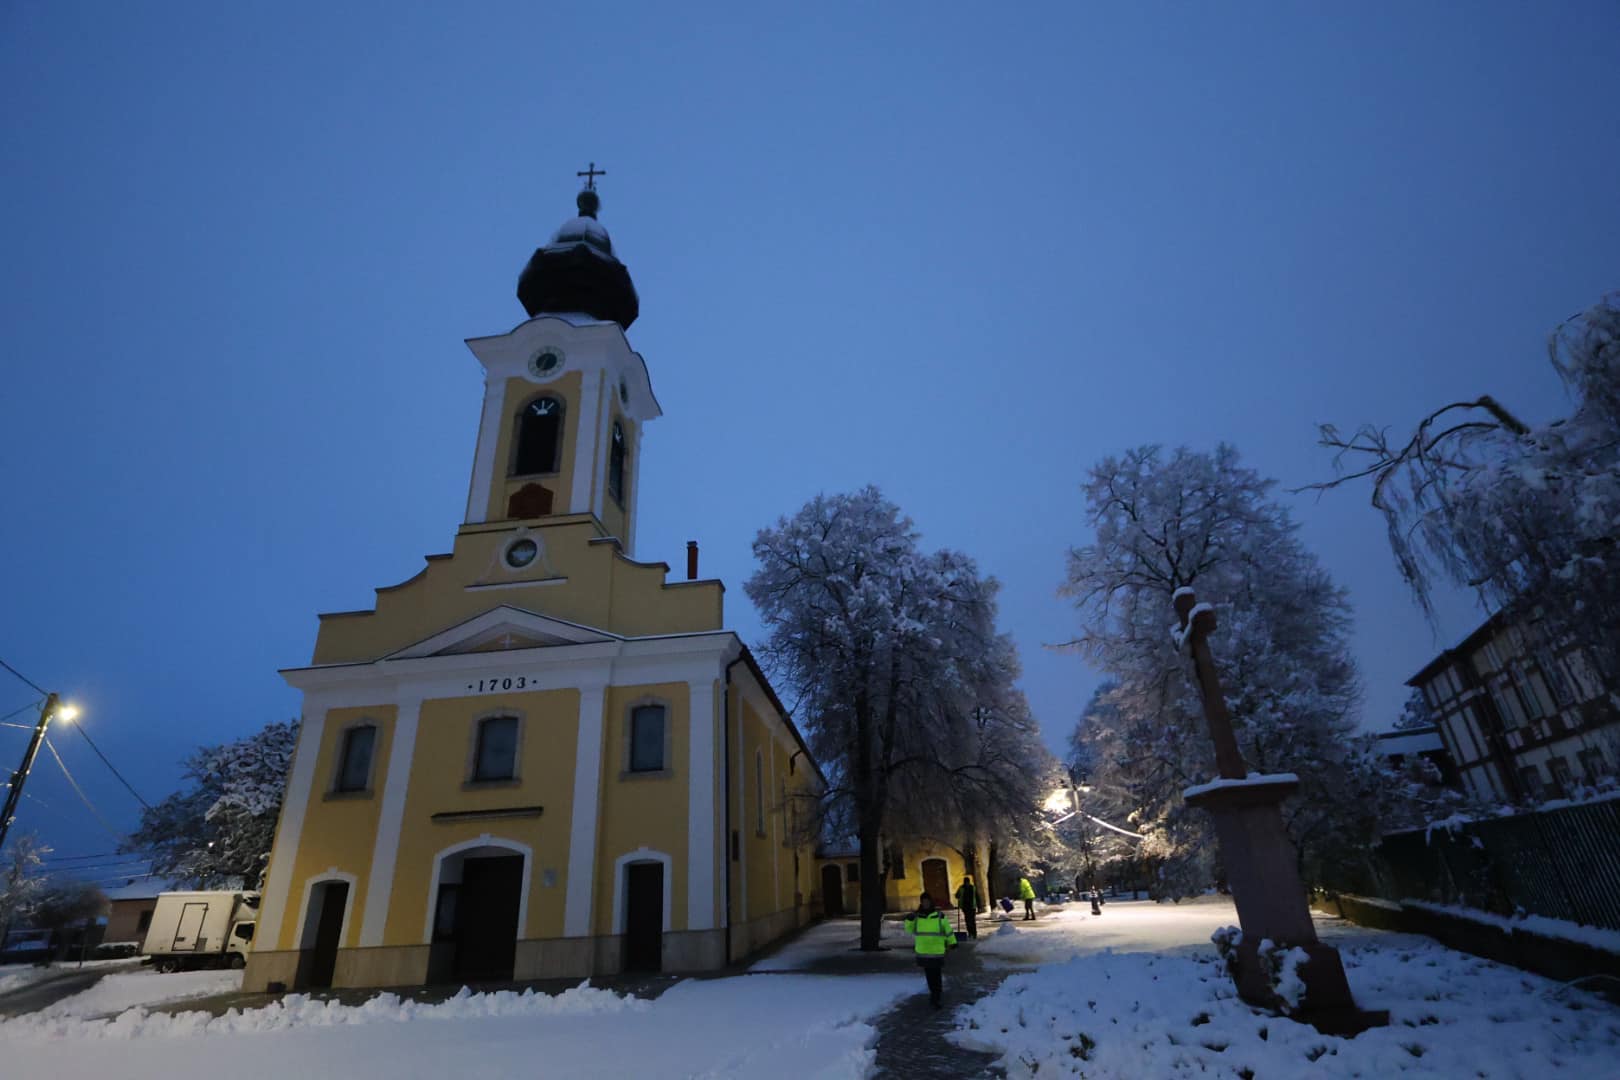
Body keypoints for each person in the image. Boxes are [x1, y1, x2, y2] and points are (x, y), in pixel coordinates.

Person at [902, 891, 957, 1008]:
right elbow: (909, 930)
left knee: (936, 974)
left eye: (927, 901)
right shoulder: (917, 917)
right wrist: (909, 920)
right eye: (923, 901)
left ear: (930, 902)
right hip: (923, 952)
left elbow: (947, 929)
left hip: (937, 951)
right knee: (929, 975)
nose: (925, 903)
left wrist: (953, 942)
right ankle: (934, 994)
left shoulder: (939, 916)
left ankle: (936, 996)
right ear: (921, 903)